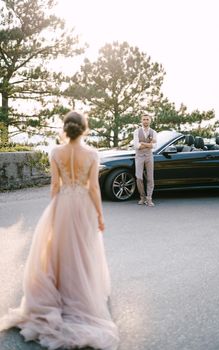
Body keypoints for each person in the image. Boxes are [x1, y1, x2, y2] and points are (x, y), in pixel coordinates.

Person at [0, 111, 119, 350]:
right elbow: (94, 187)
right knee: (83, 250)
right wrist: (99, 215)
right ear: (84, 128)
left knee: (59, 250)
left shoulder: (55, 152)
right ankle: (82, 291)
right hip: (83, 205)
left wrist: (54, 211)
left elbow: (55, 186)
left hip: (63, 204)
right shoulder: (92, 154)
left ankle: (62, 290)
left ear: (65, 128)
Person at [133, 114, 157, 207]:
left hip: (149, 156)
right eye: (144, 119)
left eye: (147, 119)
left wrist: (142, 143)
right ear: (141, 121)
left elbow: (154, 146)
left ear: (150, 121)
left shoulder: (153, 132)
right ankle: (142, 197)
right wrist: (148, 144)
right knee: (139, 177)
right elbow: (136, 146)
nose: (145, 121)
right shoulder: (136, 131)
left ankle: (149, 198)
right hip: (139, 156)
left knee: (150, 178)